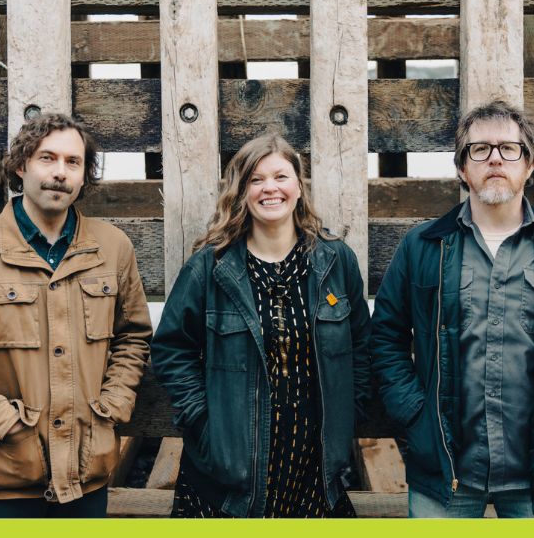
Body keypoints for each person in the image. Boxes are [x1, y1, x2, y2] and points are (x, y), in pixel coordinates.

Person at [371, 100, 534, 518]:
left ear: (528, 166)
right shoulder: (422, 247)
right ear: (461, 168)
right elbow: (385, 338)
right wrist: (415, 416)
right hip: (446, 470)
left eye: (509, 149)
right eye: (480, 149)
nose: (494, 158)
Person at [0, 113, 152, 518]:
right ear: (22, 166)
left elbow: (133, 337)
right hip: (6, 477)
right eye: (48, 158)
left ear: (83, 176)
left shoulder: (113, 248)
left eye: (73, 162)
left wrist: (112, 405)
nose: (60, 173)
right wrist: (2, 421)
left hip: (87, 473)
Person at [151, 133, 371, 518]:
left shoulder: (336, 262)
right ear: (242, 192)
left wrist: (345, 415)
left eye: (281, 177)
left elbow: (362, 348)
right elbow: (172, 349)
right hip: (227, 479)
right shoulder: (210, 267)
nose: (270, 188)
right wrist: (206, 426)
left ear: (298, 188)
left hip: (314, 476)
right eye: (256, 179)